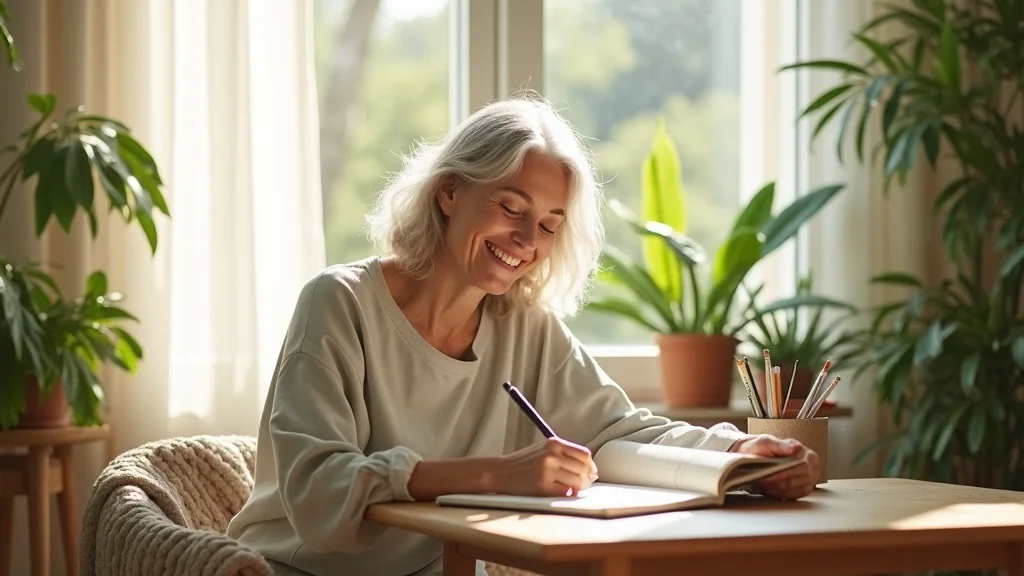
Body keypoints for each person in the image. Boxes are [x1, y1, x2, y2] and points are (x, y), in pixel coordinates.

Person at [225, 95, 821, 576]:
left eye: (548, 225)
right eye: (511, 208)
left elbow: (622, 432)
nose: (527, 241)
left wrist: (739, 455)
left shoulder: (526, 326)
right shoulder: (339, 302)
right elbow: (319, 493)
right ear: (450, 191)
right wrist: (496, 474)